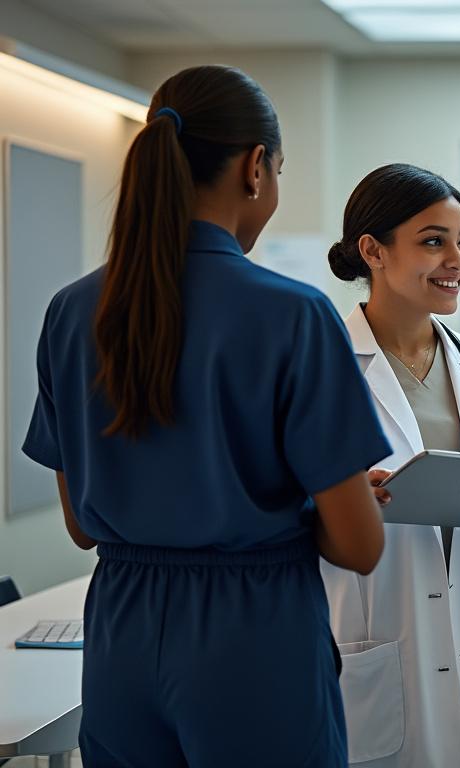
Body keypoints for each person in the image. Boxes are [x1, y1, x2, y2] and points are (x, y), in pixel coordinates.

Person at [21, 65, 390, 767]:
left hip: (120, 636)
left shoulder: (72, 312)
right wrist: (331, 509)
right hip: (254, 635)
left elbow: (79, 526)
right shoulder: (294, 314)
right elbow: (358, 547)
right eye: (278, 170)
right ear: (255, 168)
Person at [322, 163, 460, 768]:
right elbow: (278, 505)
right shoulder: (322, 363)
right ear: (373, 251)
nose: (456, 261)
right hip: (372, 629)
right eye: (433, 241)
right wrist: (338, 502)